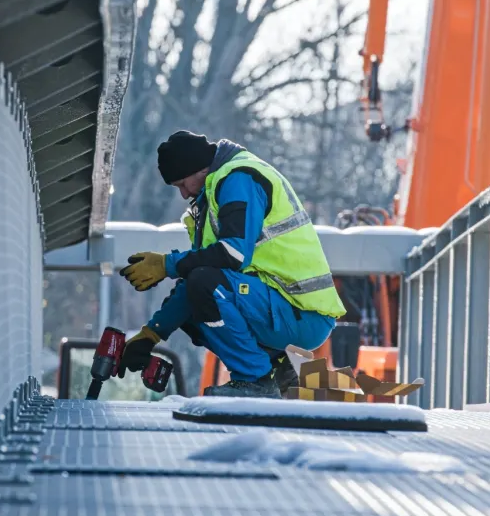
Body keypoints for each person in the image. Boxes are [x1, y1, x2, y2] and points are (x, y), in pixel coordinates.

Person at [116, 131, 347, 398]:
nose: (183, 194)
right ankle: (275, 364)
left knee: (204, 287)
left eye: (182, 183)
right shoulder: (214, 191)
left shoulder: (239, 179)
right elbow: (195, 280)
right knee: (194, 298)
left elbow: (233, 255)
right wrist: (150, 336)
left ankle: (255, 379)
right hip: (279, 308)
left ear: (198, 169)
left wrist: (167, 264)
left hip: (302, 314)